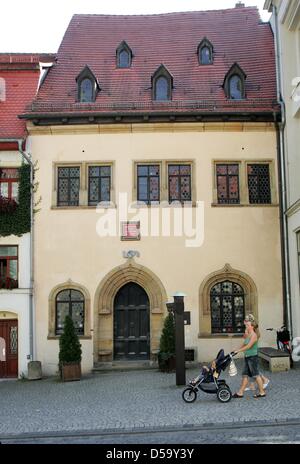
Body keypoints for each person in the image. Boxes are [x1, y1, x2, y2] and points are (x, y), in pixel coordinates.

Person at [233, 316, 267, 399]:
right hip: (247, 357)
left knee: (256, 375)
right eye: (246, 325)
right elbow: (244, 344)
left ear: (252, 326)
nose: (246, 327)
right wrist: (237, 349)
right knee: (245, 375)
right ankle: (240, 392)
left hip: (253, 358)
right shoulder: (248, 334)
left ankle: (262, 392)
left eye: (248, 325)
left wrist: (239, 351)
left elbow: (248, 346)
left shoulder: (254, 335)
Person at [242, 315, 270, 392]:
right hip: (249, 353)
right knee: (252, 370)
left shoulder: (252, 330)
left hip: (252, 353)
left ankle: (264, 381)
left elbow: (248, 342)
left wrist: (240, 349)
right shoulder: (248, 328)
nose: (244, 321)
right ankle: (252, 386)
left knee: (254, 370)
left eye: (246, 319)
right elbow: (245, 339)